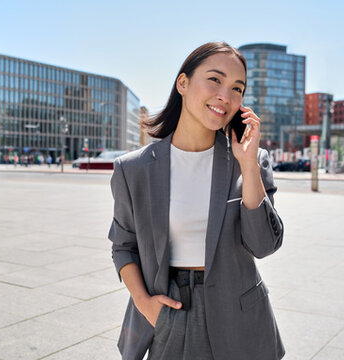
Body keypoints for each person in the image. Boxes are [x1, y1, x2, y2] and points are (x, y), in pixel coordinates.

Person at [108, 42, 284, 360]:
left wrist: (247, 166)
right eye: (214, 80)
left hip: (238, 317)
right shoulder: (132, 169)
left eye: (237, 88)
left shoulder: (252, 161)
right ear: (183, 83)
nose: (225, 96)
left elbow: (263, 245)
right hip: (167, 310)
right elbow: (123, 246)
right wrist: (145, 304)